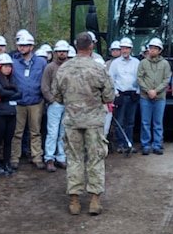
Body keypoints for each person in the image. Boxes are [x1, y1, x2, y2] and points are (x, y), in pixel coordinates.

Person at [53, 32, 116, 215]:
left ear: (75, 45)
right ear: (91, 47)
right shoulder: (98, 68)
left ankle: (74, 200)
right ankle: (95, 200)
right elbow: (109, 96)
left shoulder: (63, 69)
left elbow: (56, 96)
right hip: (94, 121)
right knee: (96, 157)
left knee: (74, 157)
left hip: (72, 120)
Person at [10, 29, 48, 170]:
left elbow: (45, 81)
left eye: (25, 45)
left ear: (32, 47)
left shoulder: (41, 62)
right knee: (17, 132)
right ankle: (14, 158)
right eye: (20, 45)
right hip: (19, 102)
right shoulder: (13, 62)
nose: (22, 48)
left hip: (36, 101)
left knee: (35, 131)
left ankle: (37, 157)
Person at [41, 40, 70, 172]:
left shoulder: (71, 66)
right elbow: (44, 86)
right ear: (56, 52)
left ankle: (61, 157)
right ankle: (49, 158)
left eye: (64, 51)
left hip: (68, 104)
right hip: (55, 104)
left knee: (63, 132)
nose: (62, 53)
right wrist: (51, 100)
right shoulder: (50, 67)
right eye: (59, 51)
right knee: (52, 132)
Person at [0, 53, 21, 175]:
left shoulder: (13, 79)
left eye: (9, 66)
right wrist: (11, 92)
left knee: (8, 141)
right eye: (5, 66)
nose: (8, 68)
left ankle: (7, 164)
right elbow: (0, 92)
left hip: (11, 114)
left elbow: (20, 94)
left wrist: (8, 93)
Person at [108, 37, 140, 154]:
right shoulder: (115, 63)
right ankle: (120, 144)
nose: (125, 50)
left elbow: (140, 78)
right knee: (119, 121)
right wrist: (115, 93)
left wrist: (138, 91)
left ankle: (129, 143)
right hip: (120, 95)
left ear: (130, 49)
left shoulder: (136, 63)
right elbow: (111, 79)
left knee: (130, 122)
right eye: (123, 48)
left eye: (127, 48)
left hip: (132, 95)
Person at [138, 37, 169, 156]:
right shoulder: (143, 63)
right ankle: (145, 145)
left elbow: (166, 79)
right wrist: (148, 90)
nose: (152, 51)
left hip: (160, 98)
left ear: (160, 50)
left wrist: (156, 91)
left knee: (157, 122)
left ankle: (157, 144)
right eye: (151, 48)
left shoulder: (165, 64)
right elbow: (140, 78)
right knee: (145, 122)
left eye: (155, 48)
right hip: (145, 97)